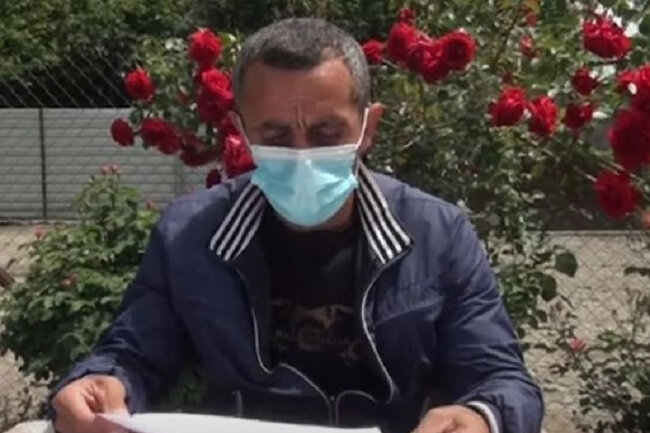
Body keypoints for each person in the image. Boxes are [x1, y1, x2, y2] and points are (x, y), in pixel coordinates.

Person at [50, 18, 543, 433]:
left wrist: (481, 417)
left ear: (367, 128)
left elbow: (500, 378)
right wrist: (101, 382)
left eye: (327, 132)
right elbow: (133, 353)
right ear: (242, 133)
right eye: (276, 135)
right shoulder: (189, 236)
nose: (303, 154)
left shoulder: (437, 234)